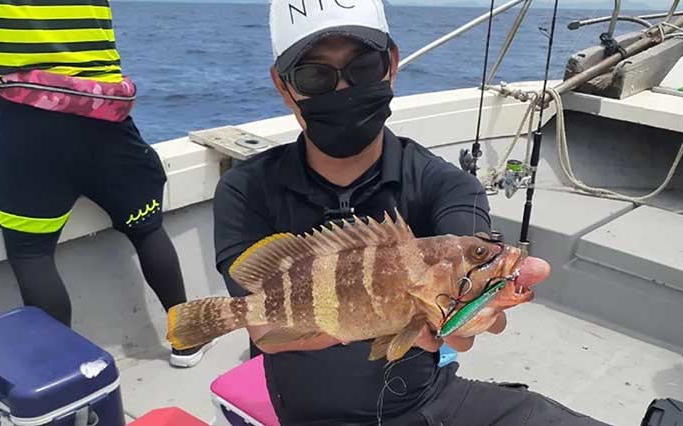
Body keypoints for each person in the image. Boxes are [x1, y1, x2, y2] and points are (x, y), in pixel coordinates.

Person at [213, 1, 681, 425]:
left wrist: (472, 310)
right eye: (315, 77)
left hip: (425, 403)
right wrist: (371, 307)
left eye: (363, 66)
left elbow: (464, 265)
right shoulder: (245, 188)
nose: (343, 88)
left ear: (391, 65)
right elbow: (262, 325)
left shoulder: (447, 184)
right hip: (304, 417)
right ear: (282, 85)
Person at [0, 0, 214, 368]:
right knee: (146, 228)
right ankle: (187, 341)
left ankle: (62, 372)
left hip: (25, 125)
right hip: (103, 113)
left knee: (32, 252)